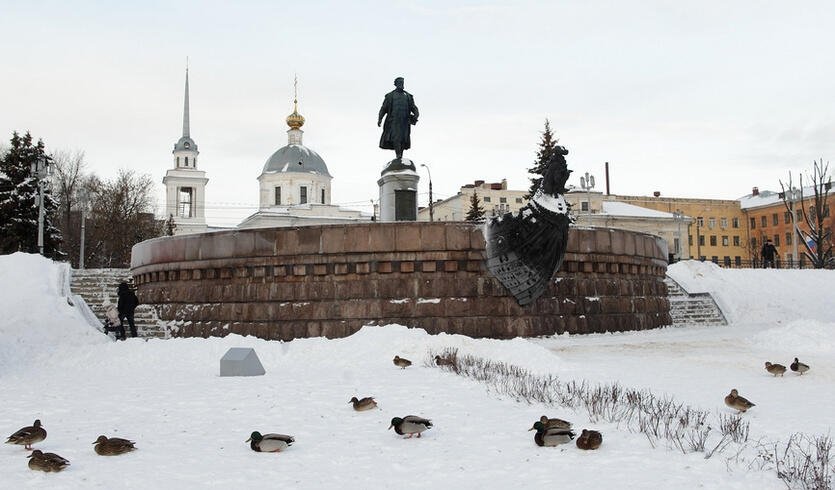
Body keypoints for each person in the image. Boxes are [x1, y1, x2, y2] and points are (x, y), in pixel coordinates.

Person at [377, 77, 419, 160]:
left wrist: (416, 115)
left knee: (404, 138)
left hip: (404, 121)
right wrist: (380, 118)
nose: (401, 84)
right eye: (399, 82)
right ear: (396, 84)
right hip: (393, 121)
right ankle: (398, 155)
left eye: (402, 82)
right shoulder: (390, 96)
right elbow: (384, 108)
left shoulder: (408, 96)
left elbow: (413, 107)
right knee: (396, 137)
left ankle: (400, 156)